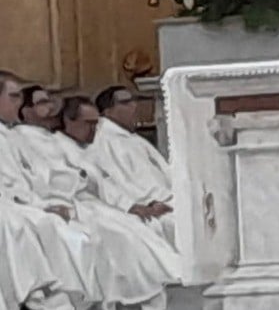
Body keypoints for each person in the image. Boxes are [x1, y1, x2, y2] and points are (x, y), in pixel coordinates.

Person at [13, 87, 179, 309]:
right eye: (42, 103)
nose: (49, 108)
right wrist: (73, 181)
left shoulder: (56, 139)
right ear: (26, 111)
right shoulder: (20, 139)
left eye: (49, 102)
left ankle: (142, 295)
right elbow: (40, 179)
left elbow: (102, 181)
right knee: (116, 237)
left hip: (88, 202)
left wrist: (131, 206)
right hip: (65, 204)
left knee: (135, 230)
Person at [0, 73, 101, 307]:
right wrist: (42, 205)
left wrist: (46, 203)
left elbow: (28, 178)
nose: (18, 102)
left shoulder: (9, 135)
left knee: (69, 231)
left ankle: (64, 297)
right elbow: (9, 185)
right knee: (28, 227)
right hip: (12, 204)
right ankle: (41, 297)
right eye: (13, 97)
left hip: (22, 201)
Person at [86, 87, 174, 244]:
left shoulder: (133, 138)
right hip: (149, 205)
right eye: (126, 102)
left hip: (166, 201)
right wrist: (149, 204)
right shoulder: (103, 140)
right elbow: (116, 182)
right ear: (107, 111)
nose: (134, 106)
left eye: (134, 100)